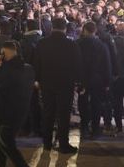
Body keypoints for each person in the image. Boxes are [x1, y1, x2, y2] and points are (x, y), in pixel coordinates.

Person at [33, 17, 80, 153]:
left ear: (52, 27)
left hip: (46, 83)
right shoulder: (71, 44)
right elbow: (77, 64)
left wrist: (37, 79)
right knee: (64, 115)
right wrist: (78, 82)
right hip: (66, 84)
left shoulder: (42, 43)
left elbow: (36, 63)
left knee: (48, 113)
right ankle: (63, 144)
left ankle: (47, 143)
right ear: (65, 28)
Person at [0, 40, 34, 167]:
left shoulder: (7, 71)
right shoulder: (28, 69)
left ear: (3, 53)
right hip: (20, 113)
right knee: (0, 143)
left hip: (6, 115)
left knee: (9, 147)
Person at [77, 21, 111, 138]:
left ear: (85, 30)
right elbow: (107, 64)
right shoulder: (101, 45)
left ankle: (84, 126)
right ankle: (96, 128)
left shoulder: (78, 43)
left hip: (82, 78)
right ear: (95, 31)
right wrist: (107, 81)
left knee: (83, 103)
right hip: (98, 79)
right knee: (96, 103)